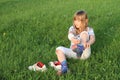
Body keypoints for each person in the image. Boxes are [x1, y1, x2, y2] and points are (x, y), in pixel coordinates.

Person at [55, 10, 95, 75]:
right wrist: (72, 39)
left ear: (86, 21)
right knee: (58, 49)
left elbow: (93, 38)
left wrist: (89, 43)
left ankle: (80, 48)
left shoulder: (89, 29)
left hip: (84, 52)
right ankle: (64, 67)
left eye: (79, 20)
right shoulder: (72, 28)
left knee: (84, 33)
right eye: (75, 20)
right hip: (74, 52)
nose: (76, 22)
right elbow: (70, 34)